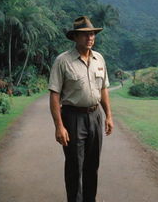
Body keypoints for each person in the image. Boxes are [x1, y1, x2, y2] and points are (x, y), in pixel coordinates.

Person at [48, 16, 114, 202]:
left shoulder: (99, 58)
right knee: (75, 166)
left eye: (92, 34)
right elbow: (54, 95)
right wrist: (59, 126)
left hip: (95, 116)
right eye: (85, 35)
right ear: (75, 37)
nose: (90, 38)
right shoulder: (63, 61)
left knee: (92, 166)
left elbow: (103, 89)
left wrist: (108, 115)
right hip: (73, 117)